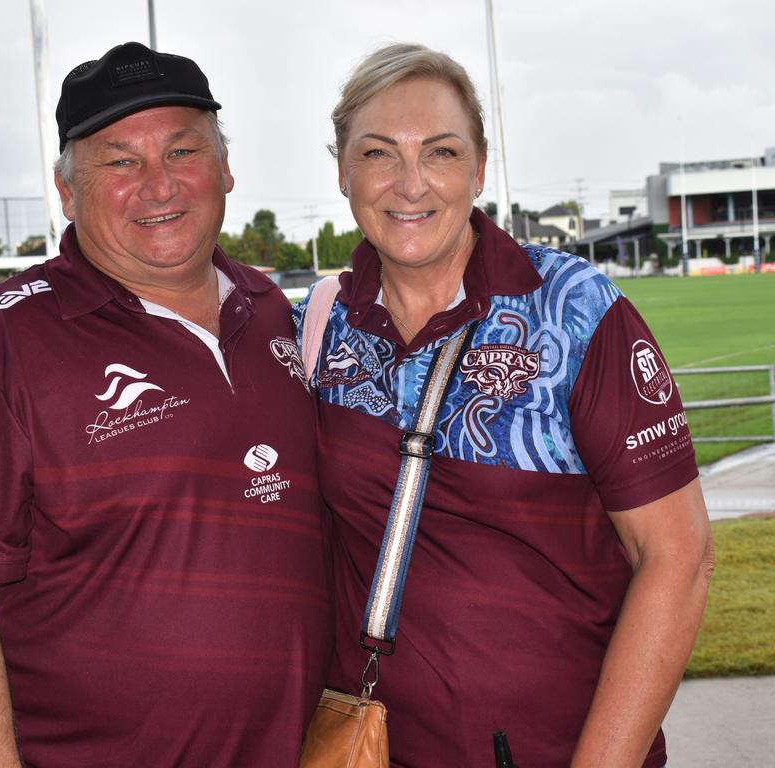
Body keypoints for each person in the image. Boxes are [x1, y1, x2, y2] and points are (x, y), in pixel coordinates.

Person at [0, 41, 331, 767]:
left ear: (224, 168)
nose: (159, 186)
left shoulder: (275, 310)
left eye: (183, 152)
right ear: (67, 191)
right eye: (120, 162)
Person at [294, 43, 713, 768]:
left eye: (443, 152)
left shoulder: (577, 312)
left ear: (480, 168)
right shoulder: (319, 322)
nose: (411, 183)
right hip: (372, 747)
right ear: (341, 168)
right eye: (378, 153)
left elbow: (678, 557)